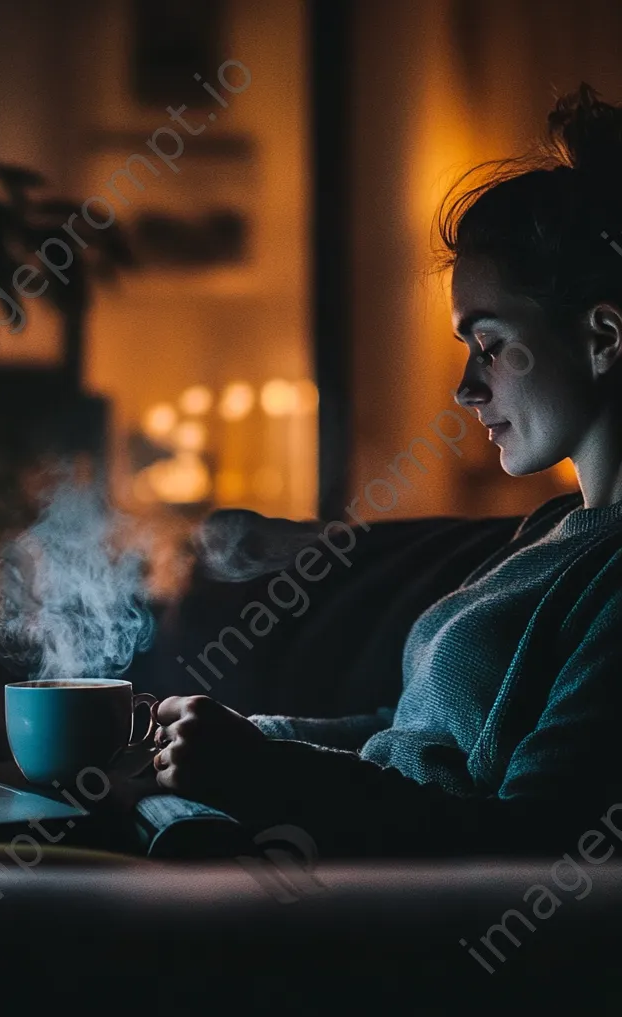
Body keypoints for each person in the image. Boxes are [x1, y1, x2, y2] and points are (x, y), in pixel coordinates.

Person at [151, 83, 622, 858]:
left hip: (388, 930)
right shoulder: (549, 532)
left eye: (490, 344)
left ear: (603, 338)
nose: (467, 389)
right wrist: (249, 739)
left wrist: (266, 776)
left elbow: (529, 847)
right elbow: (408, 733)